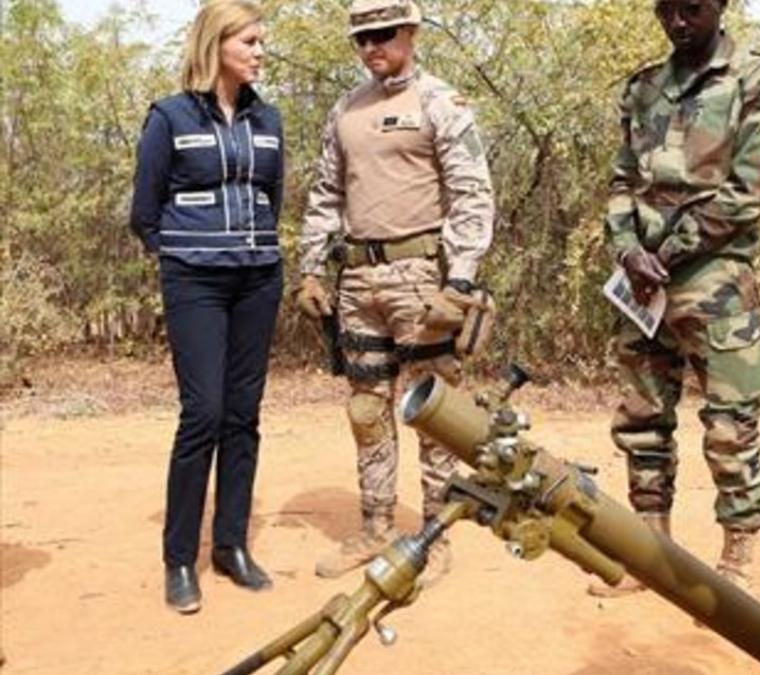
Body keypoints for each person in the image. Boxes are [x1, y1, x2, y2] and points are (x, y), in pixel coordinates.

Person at [591, 0, 760, 596]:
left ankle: (736, 565)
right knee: (642, 420)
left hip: (717, 279)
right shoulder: (644, 87)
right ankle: (650, 555)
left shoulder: (758, 82)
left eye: (693, 10)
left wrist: (667, 252)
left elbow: (748, 192)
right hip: (641, 283)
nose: (679, 22)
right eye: (667, 11)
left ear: (722, 7)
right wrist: (628, 249)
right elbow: (623, 179)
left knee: (731, 425)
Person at [295, 0, 494, 583]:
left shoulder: (441, 103)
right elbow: (326, 193)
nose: (372, 46)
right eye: (362, 38)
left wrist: (458, 282)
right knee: (366, 409)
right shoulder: (346, 109)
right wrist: (311, 268)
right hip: (357, 280)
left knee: (435, 413)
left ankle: (436, 539)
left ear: (411, 31)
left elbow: (472, 194)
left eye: (383, 34)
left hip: (421, 277)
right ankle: (377, 527)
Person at [129, 0, 284, 614]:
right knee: (204, 413)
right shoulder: (168, 116)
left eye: (260, 42)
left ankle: (231, 546)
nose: (259, 51)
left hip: (258, 280)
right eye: (250, 41)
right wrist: (185, 256)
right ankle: (178, 559)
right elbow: (145, 212)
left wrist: (252, 249)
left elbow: (274, 195)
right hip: (195, 282)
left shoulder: (267, 118)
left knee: (243, 413)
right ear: (217, 44)